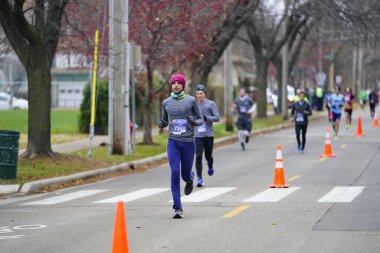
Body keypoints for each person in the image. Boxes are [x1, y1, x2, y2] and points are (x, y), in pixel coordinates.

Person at [158, 74, 204, 219]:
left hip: (188, 143)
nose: (176, 85)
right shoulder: (166, 102)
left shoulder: (191, 100)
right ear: (171, 85)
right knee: (174, 172)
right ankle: (178, 207)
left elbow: (201, 119)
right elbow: (165, 120)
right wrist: (162, 124)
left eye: (179, 83)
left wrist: (195, 122)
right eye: (174, 83)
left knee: (184, 174)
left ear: (183, 85)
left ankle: (189, 179)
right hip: (173, 142)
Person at [194, 85, 220, 187]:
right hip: (198, 135)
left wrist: (206, 117)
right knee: (198, 156)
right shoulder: (194, 105)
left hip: (208, 134)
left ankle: (210, 165)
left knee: (208, 155)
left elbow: (217, 118)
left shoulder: (210, 104)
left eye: (201, 93)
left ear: (204, 94)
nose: (199, 95)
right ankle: (199, 178)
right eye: (197, 94)